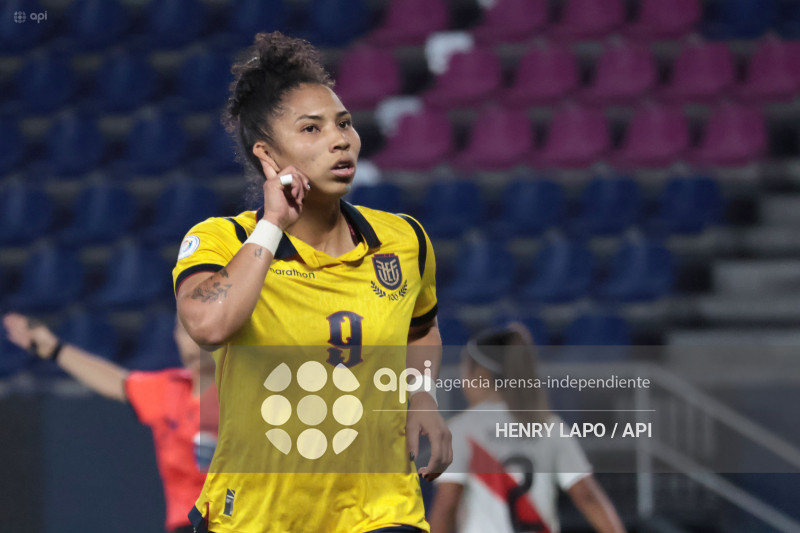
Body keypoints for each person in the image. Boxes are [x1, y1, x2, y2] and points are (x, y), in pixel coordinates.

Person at [172, 32, 451, 533]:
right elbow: (208, 325)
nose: (339, 139)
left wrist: (422, 394)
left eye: (344, 123)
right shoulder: (223, 240)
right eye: (311, 128)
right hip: (259, 515)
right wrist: (272, 225)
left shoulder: (404, 240)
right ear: (269, 155)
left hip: (381, 509)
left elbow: (420, 330)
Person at [2, 312, 218, 533]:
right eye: (185, 330)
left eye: (201, 329)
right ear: (175, 336)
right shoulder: (169, 389)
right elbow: (117, 381)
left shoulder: (244, 396)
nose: (193, 339)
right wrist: (55, 349)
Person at [428, 323, 626, 533]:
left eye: (465, 371)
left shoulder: (462, 429)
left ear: (481, 375)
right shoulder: (548, 425)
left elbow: (446, 507)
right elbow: (588, 497)